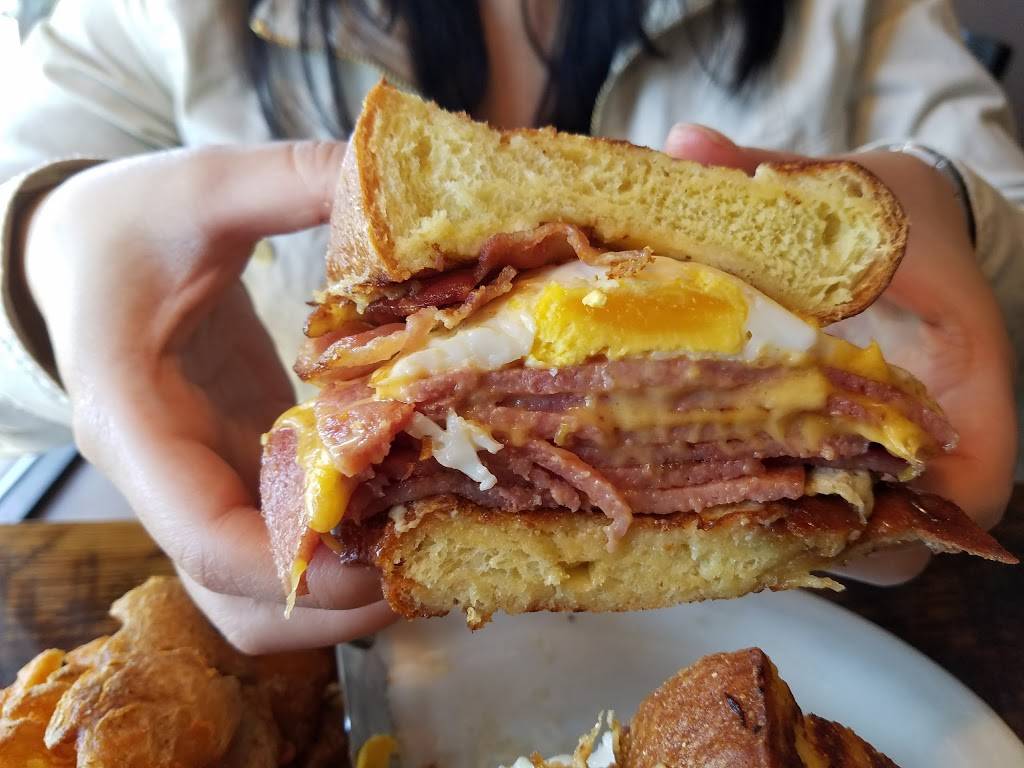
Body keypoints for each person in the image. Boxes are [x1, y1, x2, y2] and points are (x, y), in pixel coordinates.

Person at [0, 0, 1020, 653]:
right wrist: (40, 253)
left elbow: (1000, 191)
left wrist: (965, 218)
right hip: (379, 678)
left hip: (826, 654)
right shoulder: (162, 19)